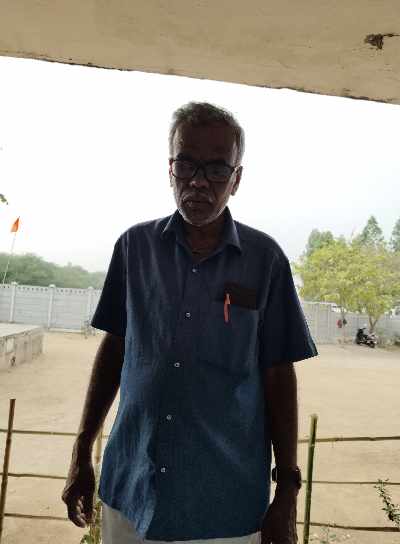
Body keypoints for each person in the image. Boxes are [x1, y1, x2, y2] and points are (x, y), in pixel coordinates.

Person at [62, 102, 317, 544]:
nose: (198, 181)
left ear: (236, 179)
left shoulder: (265, 260)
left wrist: (287, 492)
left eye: (217, 169)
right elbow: (115, 348)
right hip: (130, 492)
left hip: (225, 505)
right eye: (186, 164)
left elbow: (279, 375)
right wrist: (82, 449)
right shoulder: (134, 248)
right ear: (170, 169)